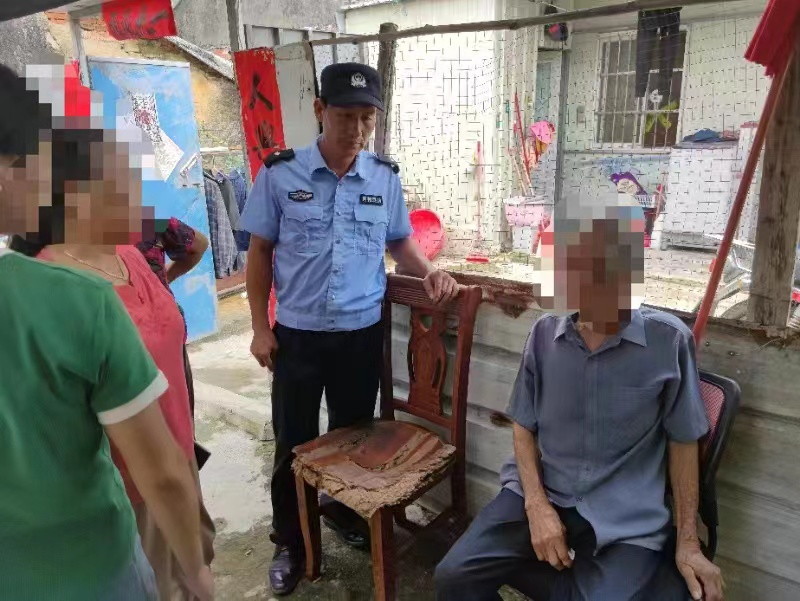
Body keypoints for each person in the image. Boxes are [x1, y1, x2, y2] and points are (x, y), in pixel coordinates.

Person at [434, 194, 725, 601]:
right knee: (454, 578)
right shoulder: (543, 336)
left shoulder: (669, 342)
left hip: (625, 515)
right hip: (544, 489)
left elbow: (684, 440)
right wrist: (537, 506)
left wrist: (688, 542)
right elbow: (523, 424)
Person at [240, 62, 460, 595]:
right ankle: (290, 541)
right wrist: (259, 328)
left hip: (360, 334)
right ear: (320, 110)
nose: (357, 130)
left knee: (354, 436)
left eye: (367, 118)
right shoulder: (281, 174)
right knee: (293, 442)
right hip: (297, 335)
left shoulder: (384, 178)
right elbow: (260, 252)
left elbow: (399, 241)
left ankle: (340, 512)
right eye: (345, 117)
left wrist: (429, 271)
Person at [0, 63, 214, 601]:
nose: (136, 193)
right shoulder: (59, 285)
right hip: (127, 486)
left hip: (178, 451)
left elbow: (193, 252)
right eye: (121, 181)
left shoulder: (135, 254)